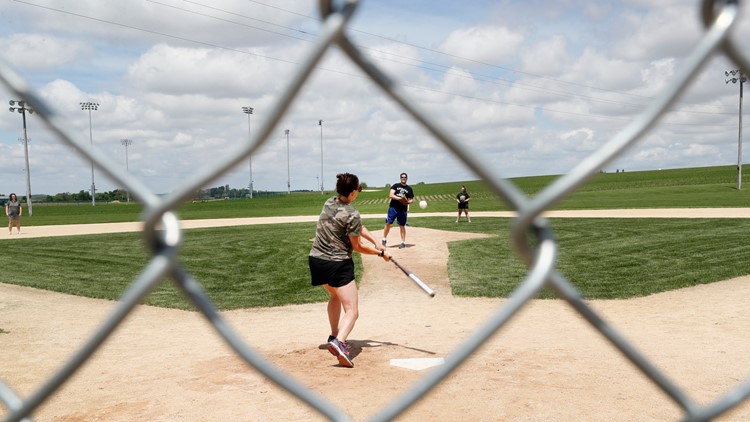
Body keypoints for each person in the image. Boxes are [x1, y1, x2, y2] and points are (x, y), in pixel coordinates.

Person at [309, 172, 391, 368]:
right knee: (352, 311)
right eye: (357, 191)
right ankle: (340, 342)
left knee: (335, 296)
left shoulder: (329, 202)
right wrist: (381, 254)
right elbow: (357, 247)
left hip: (317, 261)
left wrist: (376, 242)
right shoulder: (352, 213)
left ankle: (333, 335)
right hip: (338, 264)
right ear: (353, 192)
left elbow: (358, 227)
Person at [382, 172, 414, 249]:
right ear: (400, 178)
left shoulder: (409, 189)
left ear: (407, 178)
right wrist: (400, 198)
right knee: (388, 223)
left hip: (403, 210)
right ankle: (384, 239)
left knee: (402, 226)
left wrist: (408, 202)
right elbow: (391, 195)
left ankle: (403, 243)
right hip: (393, 208)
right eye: (402, 177)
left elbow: (412, 199)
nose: (404, 178)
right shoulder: (396, 186)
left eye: (405, 177)